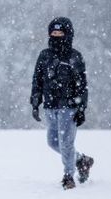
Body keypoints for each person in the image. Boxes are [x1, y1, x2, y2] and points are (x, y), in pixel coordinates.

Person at [30, 17, 94, 189]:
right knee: (53, 142)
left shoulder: (75, 57)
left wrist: (81, 108)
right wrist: (35, 102)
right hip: (50, 106)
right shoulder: (44, 56)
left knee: (66, 143)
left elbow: (82, 85)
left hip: (69, 107)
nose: (56, 36)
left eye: (60, 33)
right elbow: (37, 80)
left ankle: (68, 176)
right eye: (53, 33)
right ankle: (81, 160)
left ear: (68, 34)